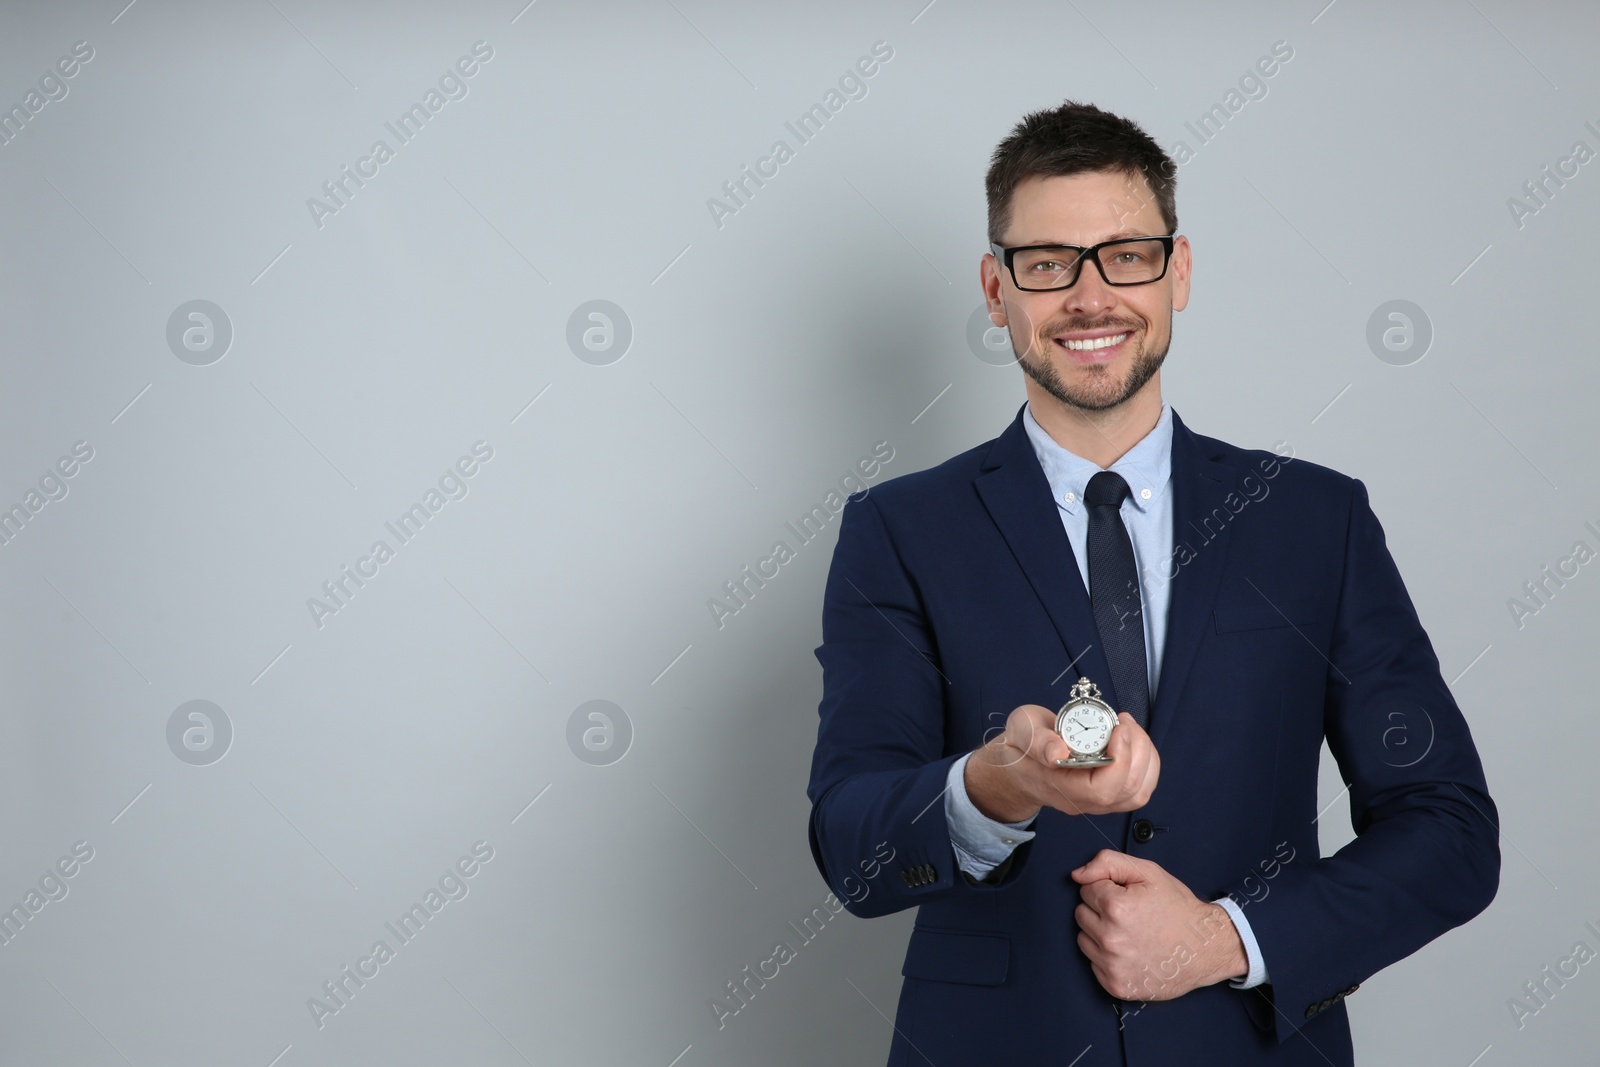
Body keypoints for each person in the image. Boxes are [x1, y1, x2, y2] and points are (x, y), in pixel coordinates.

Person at [804, 100, 1499, 1066]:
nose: (1090, 298)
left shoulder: (1313, 522)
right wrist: (995, 786)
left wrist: (1225, 939)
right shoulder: (897, 530)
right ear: (996, 289)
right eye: (1047, 263)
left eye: (1125, 255)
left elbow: (1450, 829)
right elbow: (852, 848)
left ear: (1177, 272)